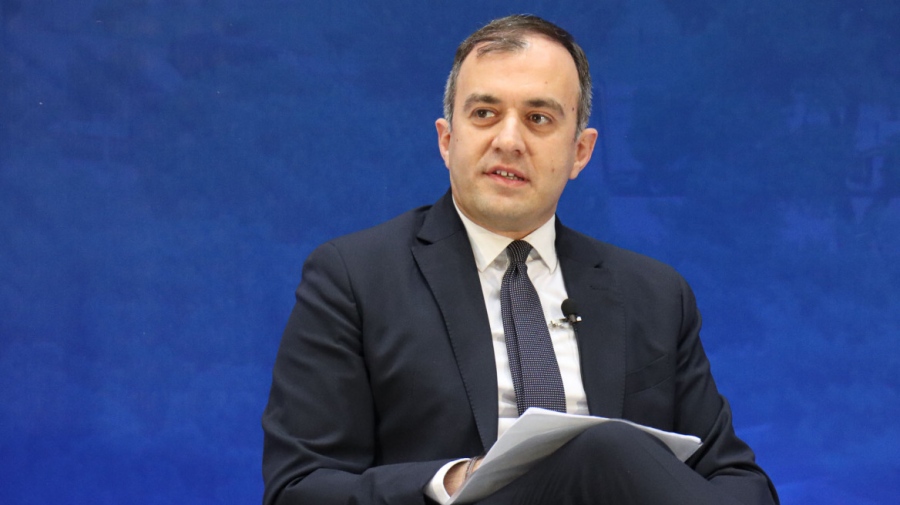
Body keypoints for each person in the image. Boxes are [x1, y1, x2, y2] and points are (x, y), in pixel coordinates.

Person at [262, 14, 779, 505]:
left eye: (538, 119)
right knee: (603, 448)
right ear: (447, 140)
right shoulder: (354, 279)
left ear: (580, 152)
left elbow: (738, 481)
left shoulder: (655, 295)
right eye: (484, 114)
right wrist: (455, 481)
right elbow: (299, 489)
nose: (508, 141)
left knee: (611, 451)